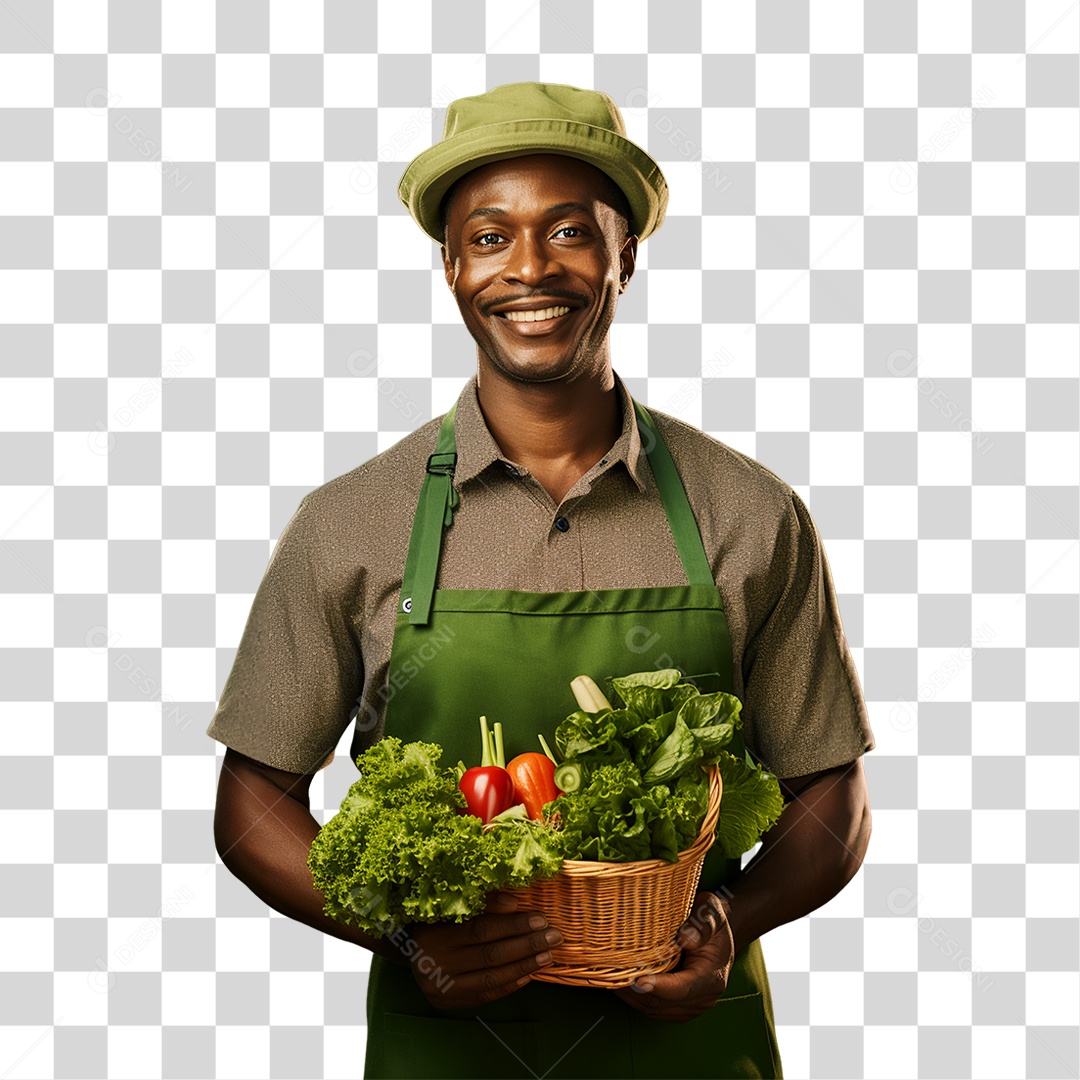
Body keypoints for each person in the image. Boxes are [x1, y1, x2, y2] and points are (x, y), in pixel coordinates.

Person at [208, 82, 874, 1079]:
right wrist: (405, 937)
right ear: (451, 266)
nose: (529, 268)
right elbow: (253, 802)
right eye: (490, 237)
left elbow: (832, 792)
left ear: (624, 256)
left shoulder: (749, 512)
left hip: (691, 1049)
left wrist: (731, 921)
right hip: (446, 1056)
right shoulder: (351, 523)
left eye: (569, 231)